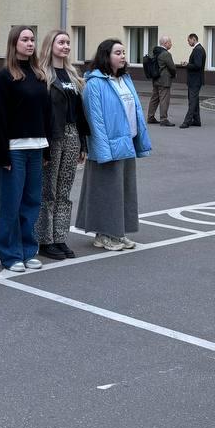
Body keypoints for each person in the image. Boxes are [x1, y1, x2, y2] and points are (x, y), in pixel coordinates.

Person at [77, 39, 152, 250]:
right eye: (118, 52)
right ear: (106, 56)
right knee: (105, 191)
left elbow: (135, 112)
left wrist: (140, 140)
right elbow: (95, 119)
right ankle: (103, 235)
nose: (123, 56)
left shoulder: (125, 79)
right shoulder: (94, 83)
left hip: (126, 143)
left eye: (124, 52)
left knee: (124, 192)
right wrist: (102, 149)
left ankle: (118, 233)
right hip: (108, 146)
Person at [0, 25, 54, 272]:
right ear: (14, 43)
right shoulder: (7, 76)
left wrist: (47, 148)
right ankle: (10, 254)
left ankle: (28, 250)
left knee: (32, 201)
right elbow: (0, 119)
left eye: (32, 39)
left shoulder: (39, 74)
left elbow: (46, 115)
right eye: (24, 39)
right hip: (14, 150)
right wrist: (2, 154)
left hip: (37, 147)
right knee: (10, 203)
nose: (30, 43)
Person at [36, 29, 88, 261]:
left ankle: (60, 237)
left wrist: (83, 143)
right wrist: (44, 146)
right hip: (53, 137)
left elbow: (79, 112)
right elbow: (42, 113)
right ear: (50, 45)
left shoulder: (72, 75)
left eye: (68, 43)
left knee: (65, 191)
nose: (66, 46)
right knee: (48, 190)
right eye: (61, 42)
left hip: (72, 134)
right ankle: (44, 240)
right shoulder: (42, 75)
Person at [146, 35, 177, 127]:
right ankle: (164, 119)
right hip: (164, 80)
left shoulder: (156, 52)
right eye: (170, 42)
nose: (171, 44)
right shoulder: (166, 54)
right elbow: (172, 67)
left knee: (154, 99)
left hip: (156, 79)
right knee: (164, 99)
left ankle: (150, 117)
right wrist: (174, 74)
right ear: (165, 43)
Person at [179, 33, 206, 129]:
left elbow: (198, 65)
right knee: (195, 100)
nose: (188, 42)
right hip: (195, 80)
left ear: (193, 39)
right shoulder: (198, 49)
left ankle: (187, 121)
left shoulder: (198, 49)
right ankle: (197, 120)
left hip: (195, 80)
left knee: (192, 101)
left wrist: (187, 64)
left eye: (189, 40)